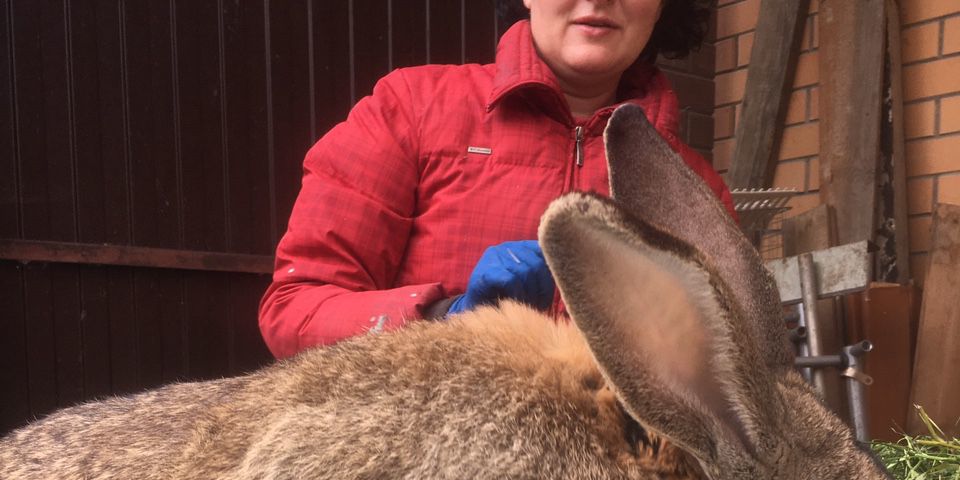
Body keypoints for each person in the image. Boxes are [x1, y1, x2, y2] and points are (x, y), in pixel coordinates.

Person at [259, 0, 734, 359]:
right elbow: (294, 309)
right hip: (416, 469)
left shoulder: (697, 190)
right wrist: (443, 320)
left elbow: (722, 369)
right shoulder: (411, 109)